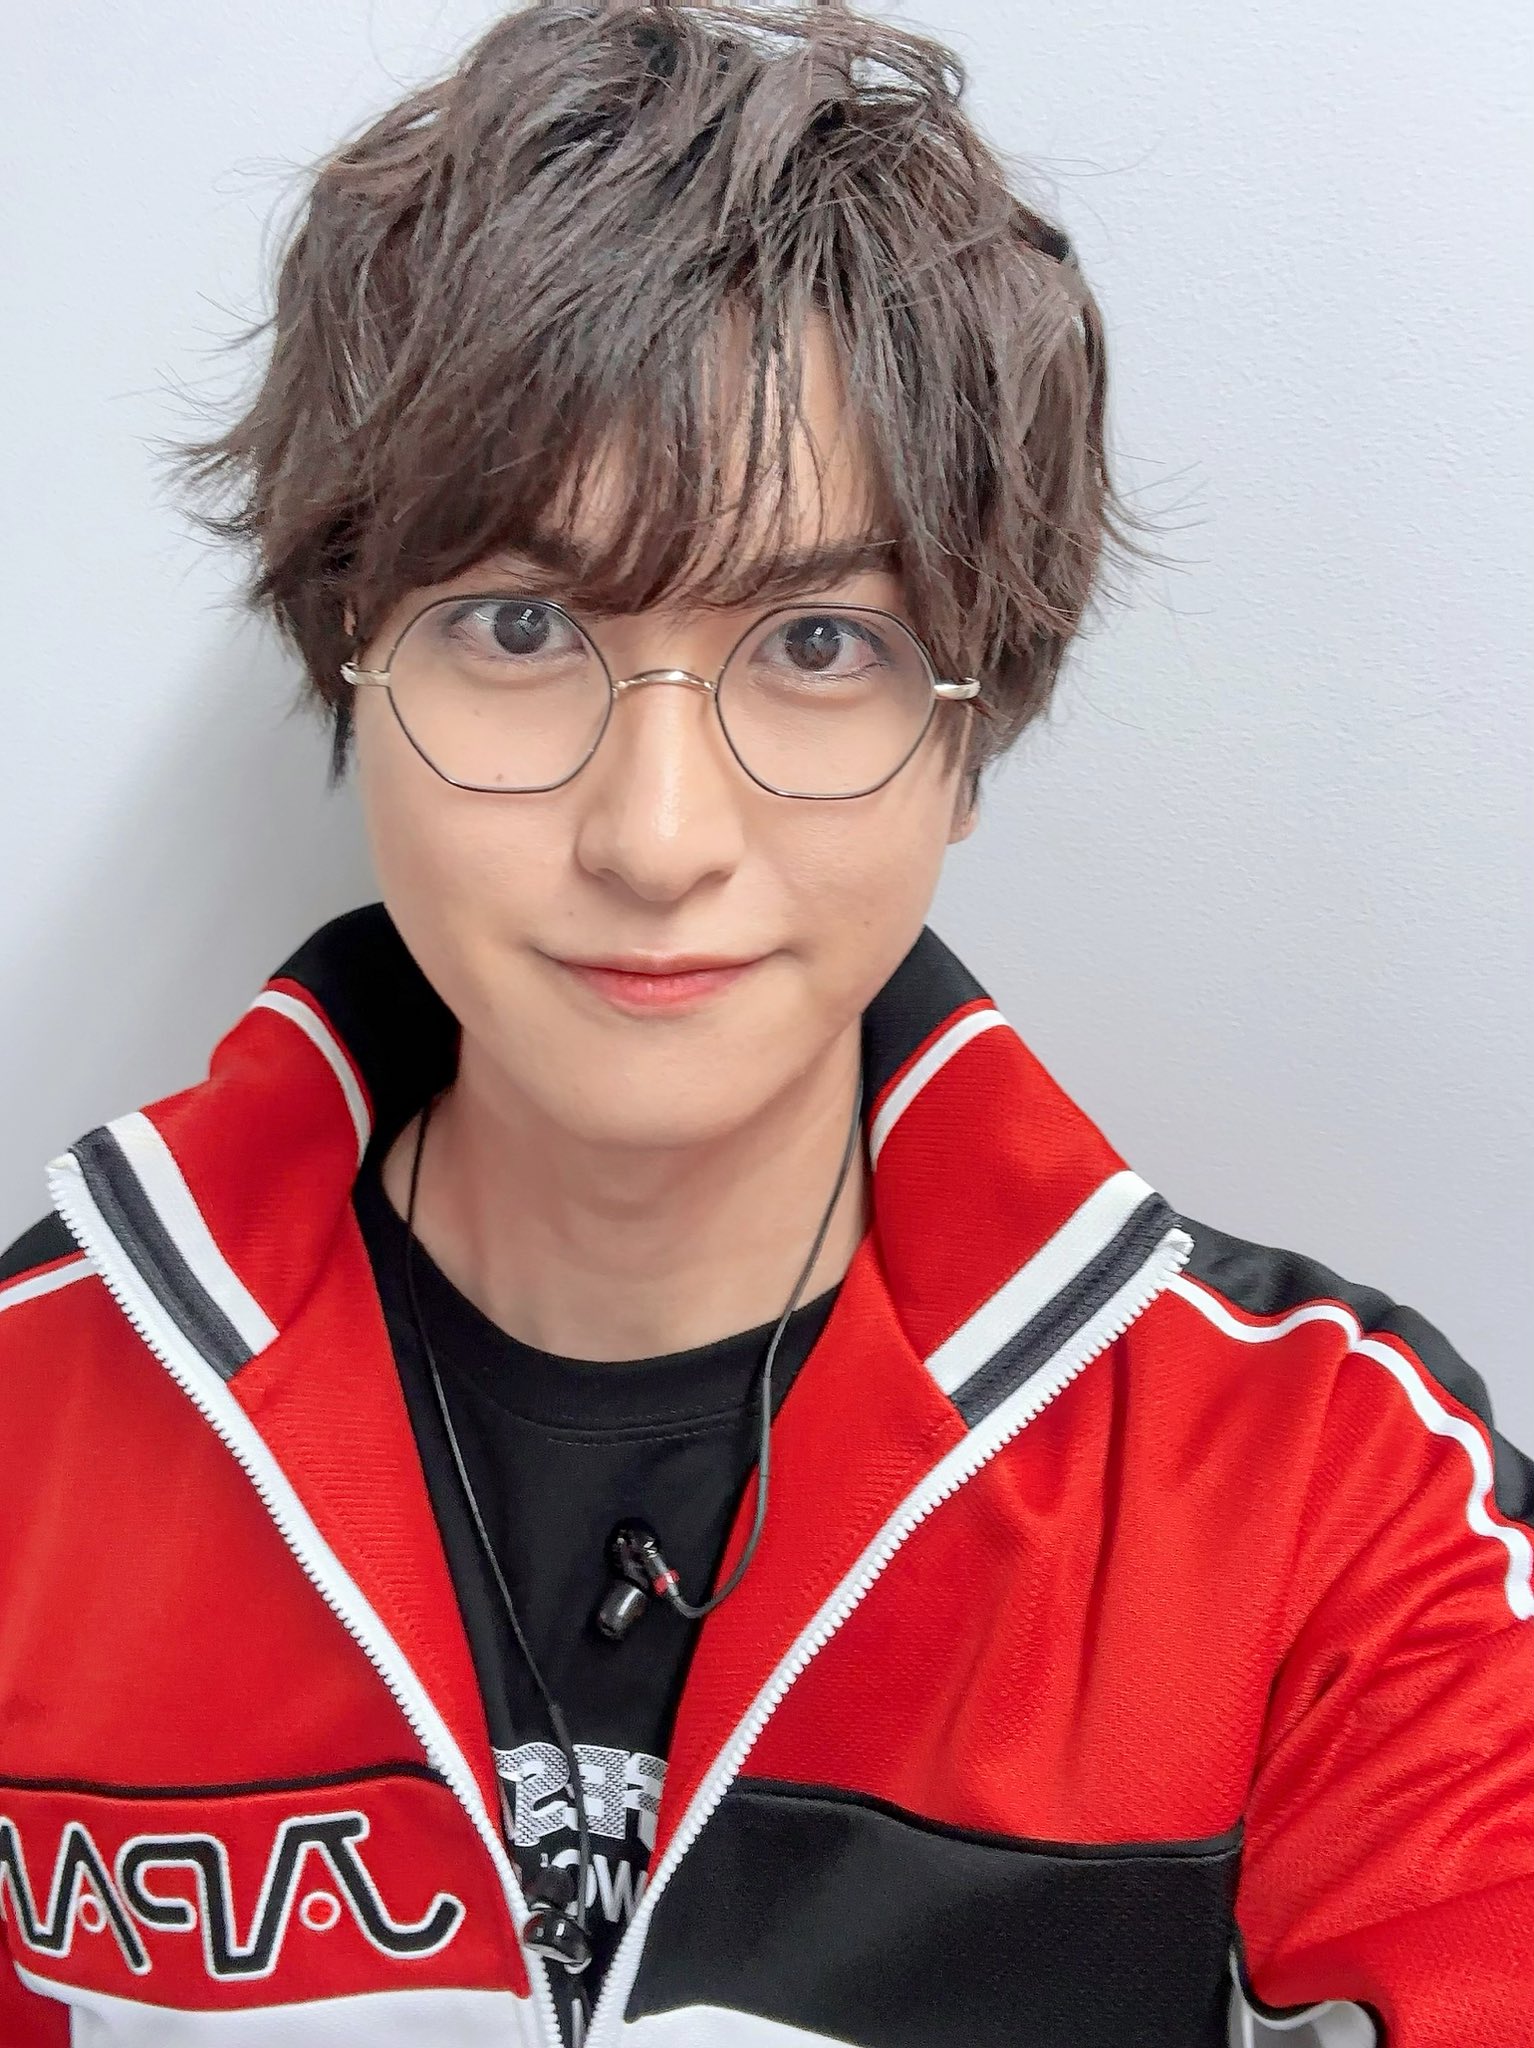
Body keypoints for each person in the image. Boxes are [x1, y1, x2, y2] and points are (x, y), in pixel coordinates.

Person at [1, 2, 1529, 2043]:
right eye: (519, 625)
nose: (654, 838)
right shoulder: (26, 1427)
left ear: (967, 733)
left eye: (817, 642)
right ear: (353, 656)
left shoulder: (1323, 1492)